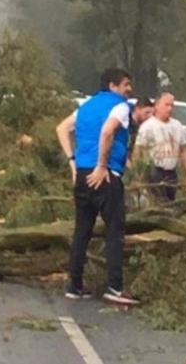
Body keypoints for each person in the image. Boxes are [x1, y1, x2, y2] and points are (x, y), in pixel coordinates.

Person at [54, 68, 153, 305]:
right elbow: (108, 131)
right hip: (105, 176)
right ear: (113, 86)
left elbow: (61, 129)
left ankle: (74, 285)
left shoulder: (86, 106)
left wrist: (72, 162)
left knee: (82, 231)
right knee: (114, 232)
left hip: (82, 174)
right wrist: (101, 165)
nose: (129, 89)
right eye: (126, 84)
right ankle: (115, 288)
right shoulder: (119, 106)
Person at [134, 92, 186, 202]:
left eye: (172, 105)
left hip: (171, 172)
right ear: (157, 106)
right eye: (166, 105)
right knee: (160, 202)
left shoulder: (177, 126)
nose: (169, 108)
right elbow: (138, 151)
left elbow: (183, 150)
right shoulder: (147, 127)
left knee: (171, 201)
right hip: (155, 171)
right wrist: (138, 176)